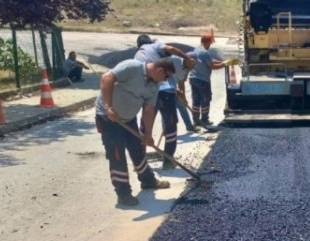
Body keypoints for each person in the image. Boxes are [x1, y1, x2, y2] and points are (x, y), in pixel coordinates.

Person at [95, 57, 175, 206]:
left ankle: (148, 180)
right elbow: (106, 79)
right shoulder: (132, 67)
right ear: (159, 70)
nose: (165, 80)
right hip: (109, 118)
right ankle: (123, 194)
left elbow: (149, 110)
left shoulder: (153, 87)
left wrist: (148, 135)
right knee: (117, 155)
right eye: (166, 76)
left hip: (128, 119)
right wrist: (108, 107)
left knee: (138, 149)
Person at [133, 35, 196, 169]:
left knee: (144, 126)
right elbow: (171, 48)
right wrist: (187, 58)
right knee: (170, 125)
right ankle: (168, 161)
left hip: (148, 93)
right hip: (165, 92)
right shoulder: (155, 46)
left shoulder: (137, 56)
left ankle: (140, 162)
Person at [188, 34, 235, 129]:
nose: (210, 45)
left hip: (193, 78)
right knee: (206, 99)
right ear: (207, 42)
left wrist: (223, 61)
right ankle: (205, 119)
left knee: (196, 100)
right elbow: (213, 66)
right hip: (202, 80)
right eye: (210, 43)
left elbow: (210, 60)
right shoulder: (205, 52)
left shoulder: (196, 50)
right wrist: (225, 64)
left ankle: (196, 120)